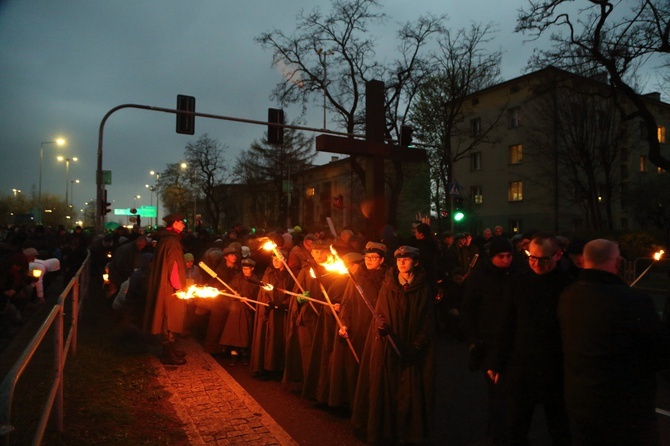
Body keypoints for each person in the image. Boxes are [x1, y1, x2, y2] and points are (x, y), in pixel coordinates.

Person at [559, 239, 670, 445]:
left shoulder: (569, 295)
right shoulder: (634, 301)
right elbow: (657, 351)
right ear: (618, 262)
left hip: (581, 399)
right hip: (624, 405)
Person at [488, 234, 572, 445]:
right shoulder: (519, 283)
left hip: (556, 365)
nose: (535, 263)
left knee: (559, 426)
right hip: (523, 364)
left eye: (542, 259)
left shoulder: (568, 286)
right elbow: (506, 323)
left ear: (558, 255)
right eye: (531, 257)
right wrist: (497, 361)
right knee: (517, 425)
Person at [352, 245, 435, 444]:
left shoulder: (423, 288)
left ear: (415, 262)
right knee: (386, 388)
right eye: (399, 260)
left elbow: (427, 320)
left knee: (410, 391)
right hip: (390, 344)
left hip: (412, 346)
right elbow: (380, 312)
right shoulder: (389, 285)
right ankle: (384, 430)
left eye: (406, 259)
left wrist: (417, 345)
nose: (402, 263)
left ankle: (408, 432)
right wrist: (382, 327)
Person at [461, 236, 518, 445]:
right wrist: (474, 339)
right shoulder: (480, 277)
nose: (505, 260)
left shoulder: (515, 275)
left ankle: (502, 432)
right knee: (496, 391)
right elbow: (469, 308)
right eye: (501, 257)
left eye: (509, 256)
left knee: (508, 392)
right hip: (489, 341)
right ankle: (496, 434)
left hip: (510, 342)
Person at [329, 242, 388, 409]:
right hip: (359, 327)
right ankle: (356, 403)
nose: (369, 260)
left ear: (382, 260)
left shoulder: (387, 279)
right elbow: (347, 302)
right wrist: (344, 324)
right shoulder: (357, 278)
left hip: (376, 328)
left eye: (373, 257)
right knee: (356, 365)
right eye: (367, 257)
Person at [143, 213, 188, 366]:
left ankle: (169, 350)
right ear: (175, 223)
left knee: (165, 317)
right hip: (169, 288)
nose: (183, 225)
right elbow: (173, 266)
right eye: (182, 222)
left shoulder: (165, 239)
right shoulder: (172, 241)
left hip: (164, 285)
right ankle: (168, 353)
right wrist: (178, 287)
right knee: (168, 318)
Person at [250, 249, 290, 379]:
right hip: (270, 312)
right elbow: (264, 291)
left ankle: (278, 368)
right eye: (273, 259)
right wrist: (268, 302)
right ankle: (266, 367)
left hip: (282, 313)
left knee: (279, 338)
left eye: (278, 259)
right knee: (268, 338)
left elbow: (293, 291)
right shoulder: (268, 274)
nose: (276, 262)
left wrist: (285, 303)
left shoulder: (290, 275)